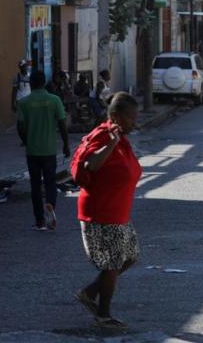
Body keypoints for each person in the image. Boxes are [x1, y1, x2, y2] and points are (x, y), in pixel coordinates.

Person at [75, 92, 141, 330]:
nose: (135, 122)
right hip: (101, 212)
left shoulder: (121, 138)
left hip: (118, 212)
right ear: (115, 116)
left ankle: (90, 292)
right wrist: (111, 144)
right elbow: (89, 165)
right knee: (112, 263)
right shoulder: (105, 136)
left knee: (130, 257)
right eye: (131, 117)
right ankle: (103, 314)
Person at [17, 71, 70, 231]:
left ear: (31, 84)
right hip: (49, 150)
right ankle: (50, 205)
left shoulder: (24, 102)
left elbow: (20, 127)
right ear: (44, 82)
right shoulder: (54, 100)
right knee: (50, 182)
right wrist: (66, 145)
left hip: (33, 151)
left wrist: (26, 141)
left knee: (35, 185)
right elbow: (62, 124)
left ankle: (39, 221)